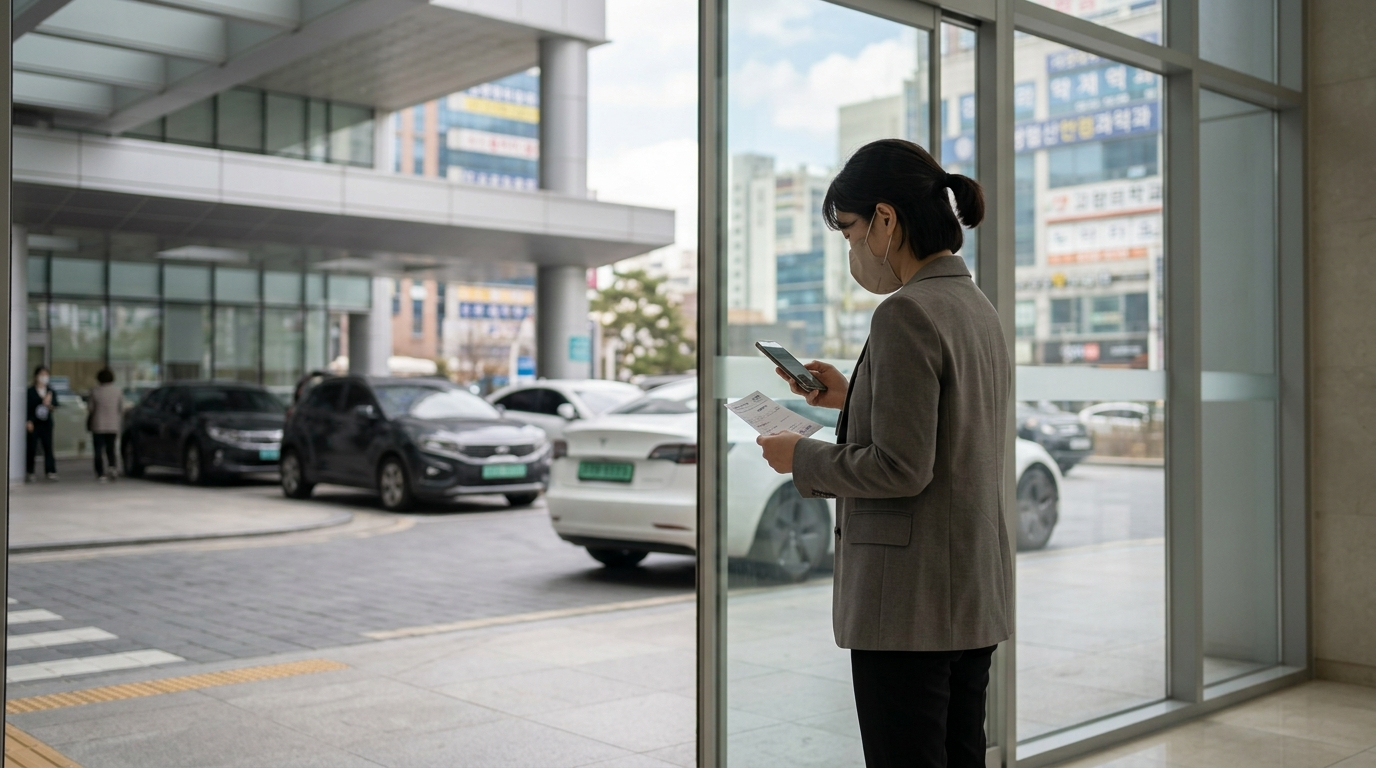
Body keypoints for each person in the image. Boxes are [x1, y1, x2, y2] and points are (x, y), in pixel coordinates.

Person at [757, 138, 1013, 768]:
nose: (852, 248)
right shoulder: (976, 307)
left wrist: (800, 458)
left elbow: (901, 467)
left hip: (908, 604)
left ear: (886, 219)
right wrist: (853, 396)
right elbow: (949, 427)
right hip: (969, 590)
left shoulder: (905, 313)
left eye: (850, 231)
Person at [88, 368, 124, 481]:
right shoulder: (117, 391)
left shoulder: (94, 391)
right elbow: (121, 408)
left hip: (98, 425)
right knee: (111, 448)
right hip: (112, 425)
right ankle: (112, 468)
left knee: (98, 450)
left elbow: (90, 408)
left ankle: (100, 473)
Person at [26, 365, 60, 482]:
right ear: (36, 376)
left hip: (46, 423)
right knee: (32, 447)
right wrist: (29, 421)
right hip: (34, 423)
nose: (44, 377)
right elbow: (27, 407)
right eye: (42, 374)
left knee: (48, 447)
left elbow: (55, 406)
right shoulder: (30, 391)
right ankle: (30, 471)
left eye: (46, 375)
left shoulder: (50, 391)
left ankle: (50, 471)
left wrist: (49, 403)